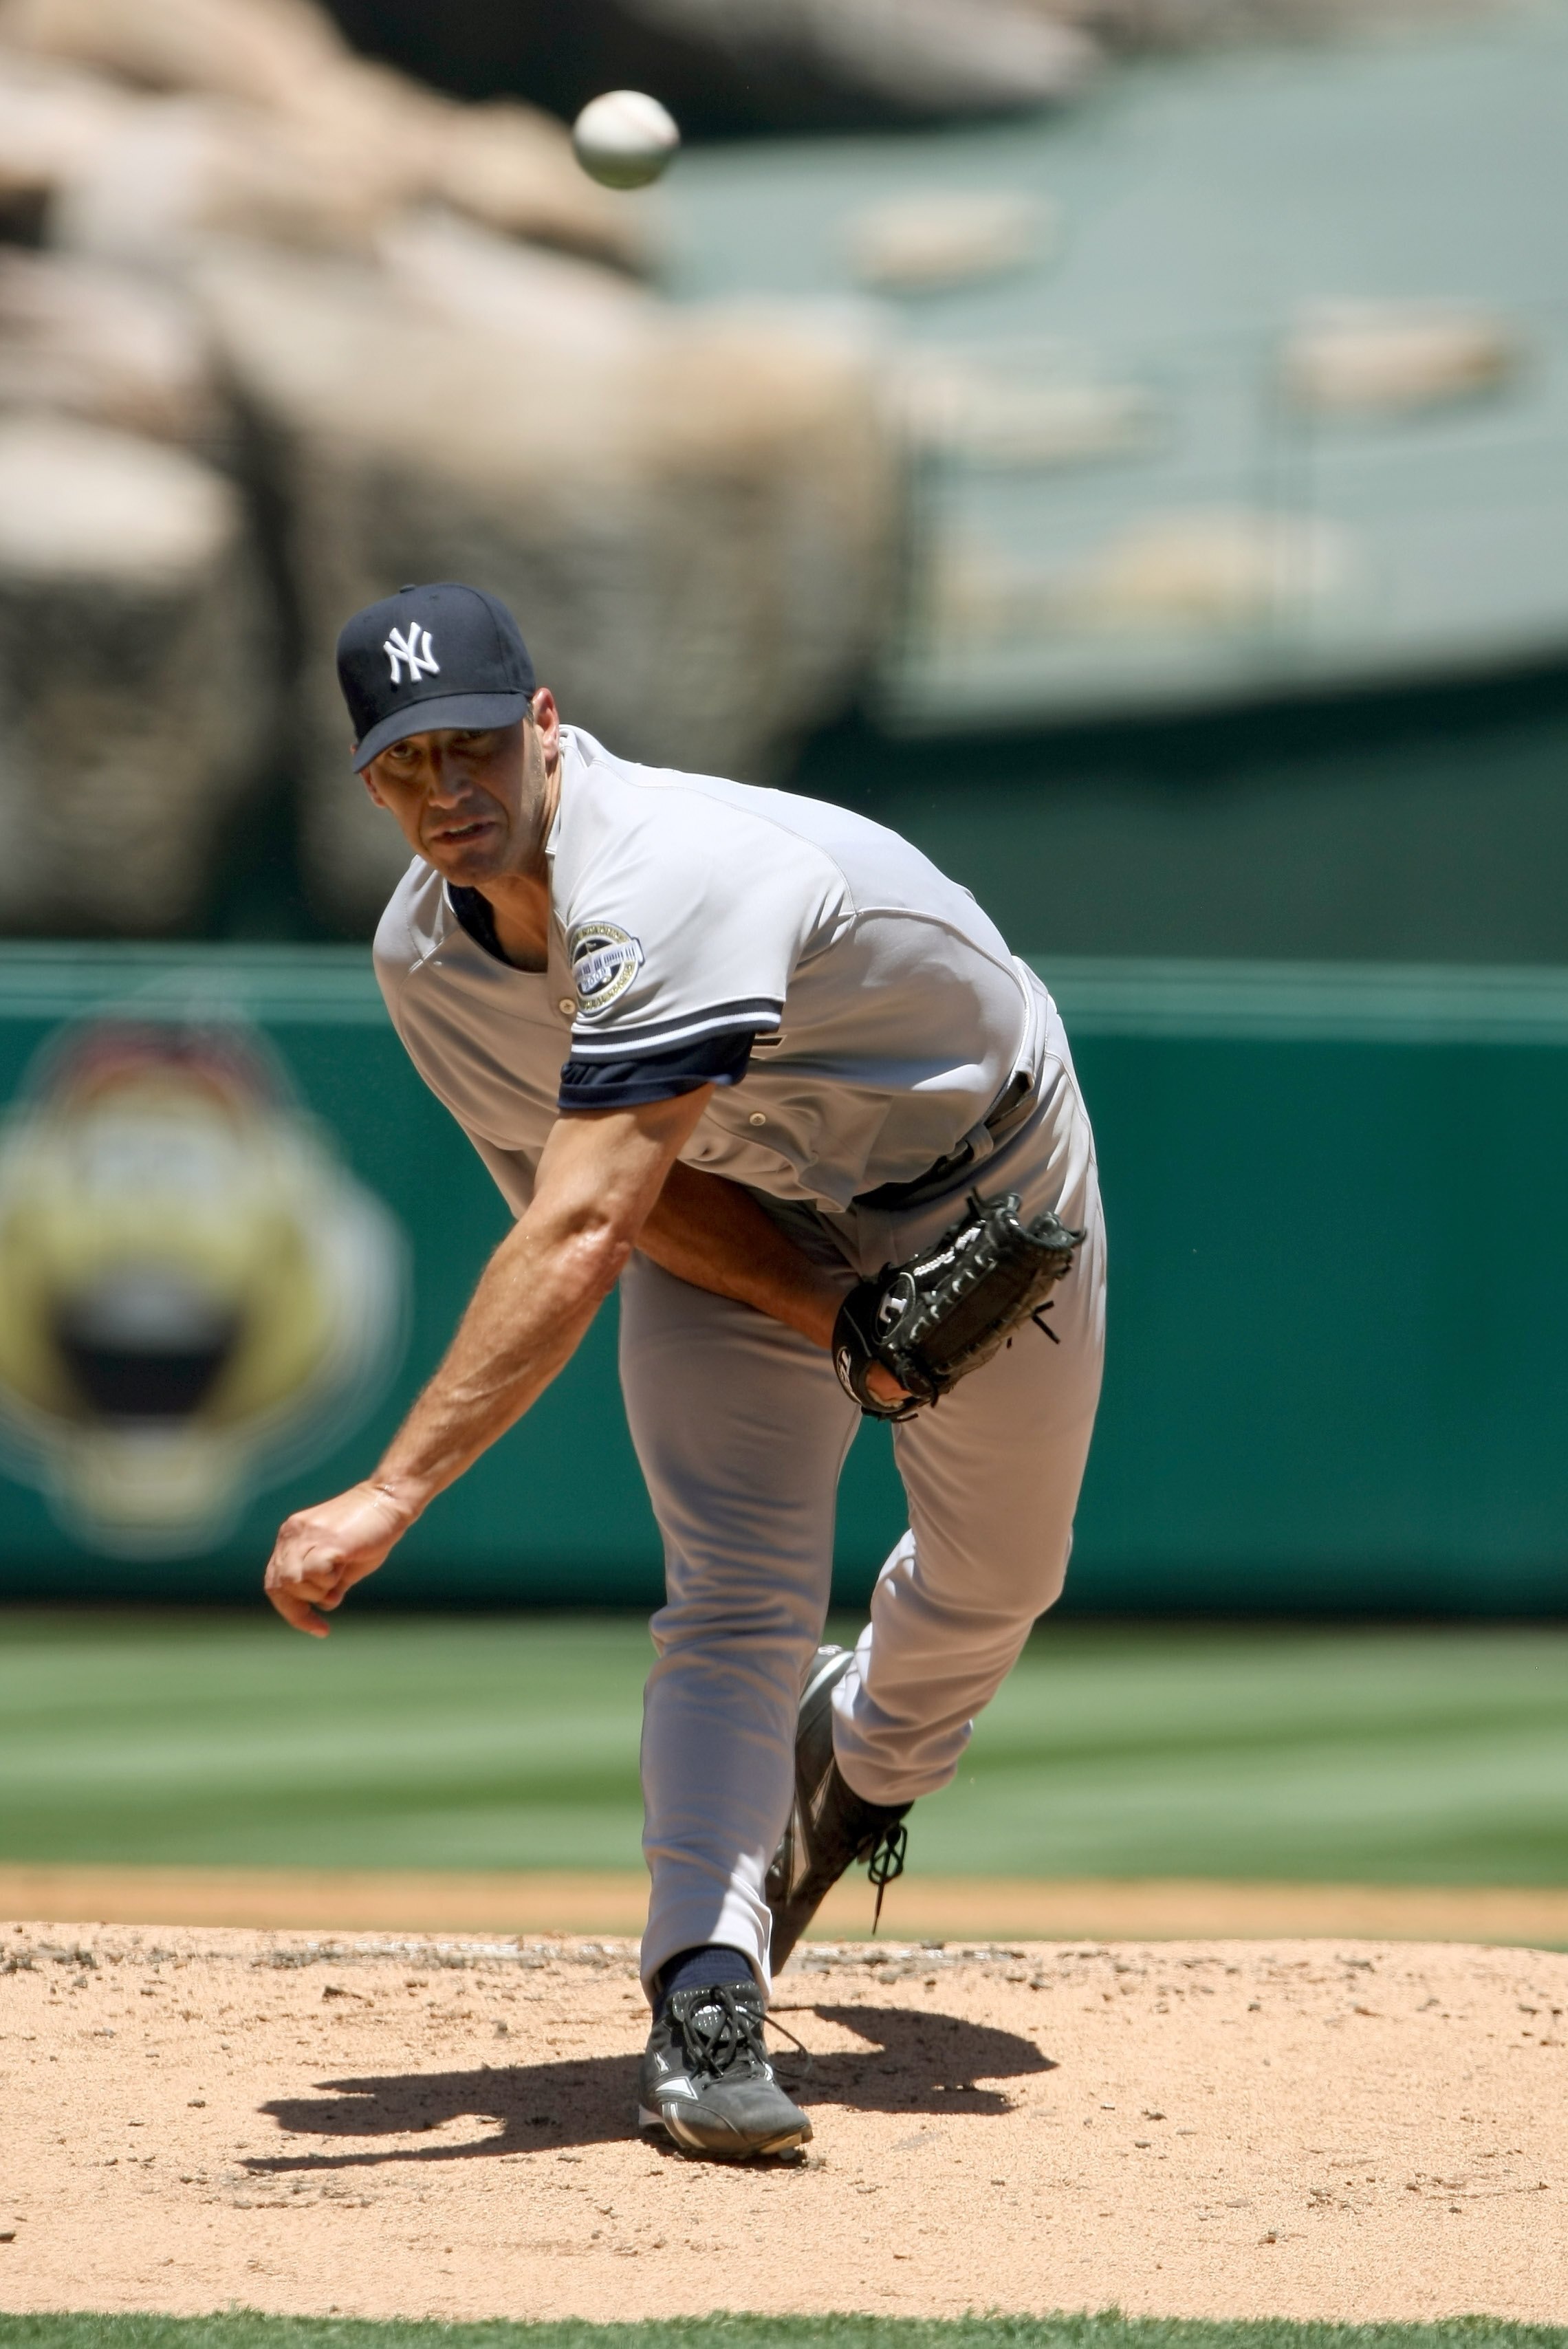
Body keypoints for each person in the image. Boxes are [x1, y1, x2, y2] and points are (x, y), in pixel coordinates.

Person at [264, 580, 1107, 2164]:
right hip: (734, 1210)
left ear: (543, 724)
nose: (444, 793)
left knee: (1005, 1577)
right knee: (731, 1588)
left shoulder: (668, 874)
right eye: (400, 764)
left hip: (980, 1164)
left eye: (470, 748)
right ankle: (706, 1996)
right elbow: (619, 1209)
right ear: (365, 778)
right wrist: (834, 1317)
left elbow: (578, 1229)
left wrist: (394, 1489)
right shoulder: (427, 964)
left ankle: (858, 1761)